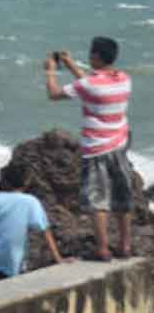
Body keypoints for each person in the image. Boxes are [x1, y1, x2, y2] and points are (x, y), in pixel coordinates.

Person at [45, 37, 136, 260]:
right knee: (122, 198)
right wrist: (70, 64)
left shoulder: (88, 86)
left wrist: (50, 71)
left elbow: (54, 94)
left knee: (98, 201)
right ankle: (125, 246)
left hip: (96, 149)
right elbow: (91, 84)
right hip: (119, 146)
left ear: (95, 57)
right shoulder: (124, 79)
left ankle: (102, 249)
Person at [0, 162, 69, 282]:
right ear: (25, 182)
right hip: (13, 261)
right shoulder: (30, 201)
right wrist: (58, 259)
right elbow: (44, 230)